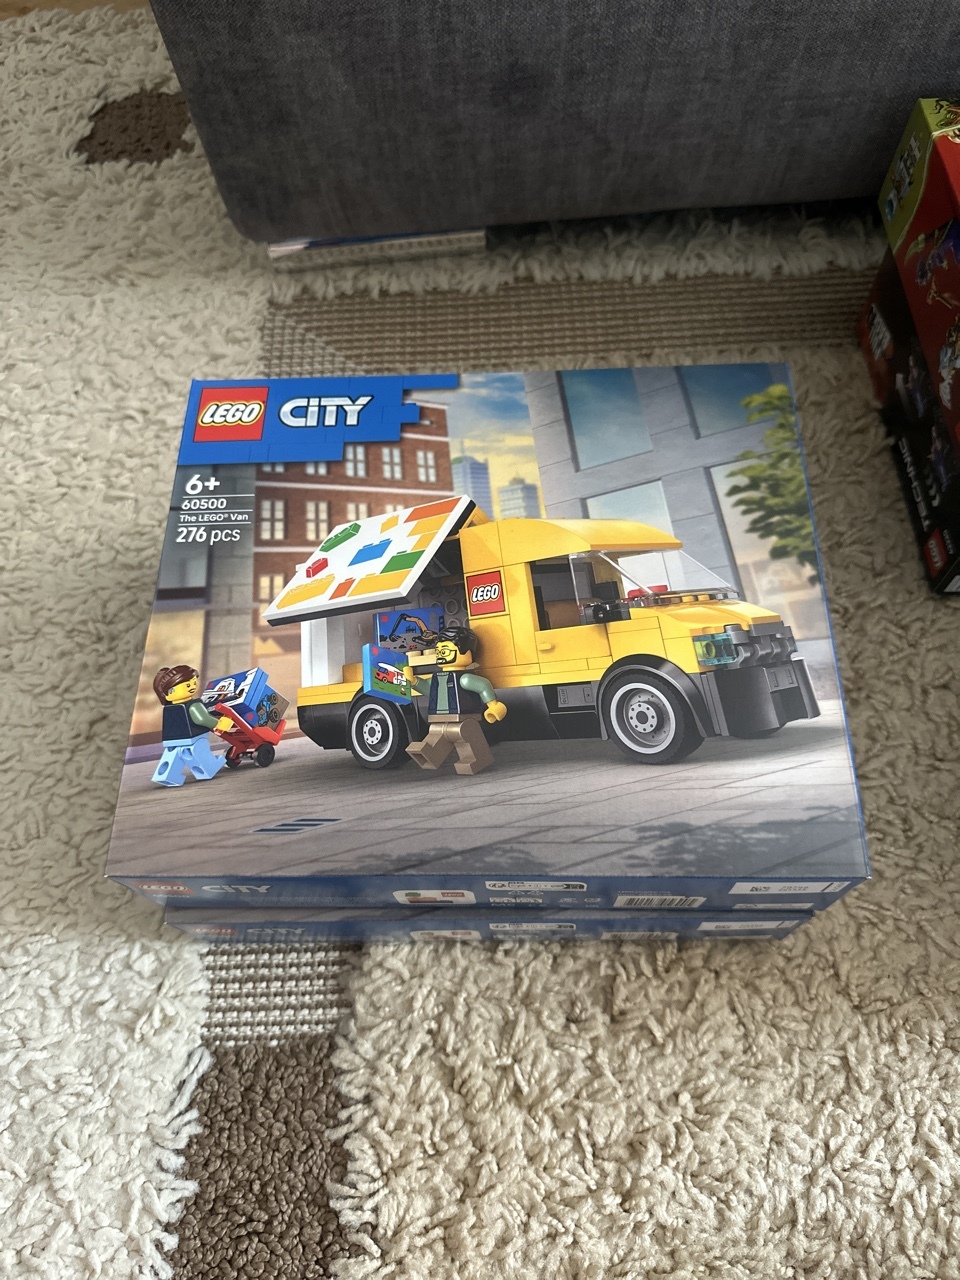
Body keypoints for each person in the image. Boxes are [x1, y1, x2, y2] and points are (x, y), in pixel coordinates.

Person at [403, 625, 507, 776]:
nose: (441, 655)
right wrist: (413, 681)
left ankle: (477, 759)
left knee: (466, 736)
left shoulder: (465, 678)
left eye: (445, 651)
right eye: (438, 651)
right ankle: (429, 755)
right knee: (436, 734)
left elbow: (483, 686)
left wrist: (493, 705)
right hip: (439, 718)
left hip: (463, 717)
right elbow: (428, 689)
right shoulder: (437, 678)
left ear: (467, 653)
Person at [151, 665, 234, 787]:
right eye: (188, 685)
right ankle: (209, 768)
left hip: (172, 738)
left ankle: (166, 776)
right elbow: (202, 719)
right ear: (170, 692)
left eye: (194, 683)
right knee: (199, 751)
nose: (193, 687)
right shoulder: (193, 705)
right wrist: (219, 723)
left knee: (173, 756)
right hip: (194, 736)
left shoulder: (168, 707)